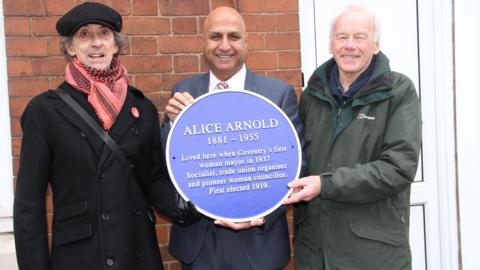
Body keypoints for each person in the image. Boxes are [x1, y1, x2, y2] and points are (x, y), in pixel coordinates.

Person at [13, 2, 175, 270]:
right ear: (70, 47)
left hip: (137, 252)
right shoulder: (46, 111)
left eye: (104, 34)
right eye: (84, 35)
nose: (96, 43)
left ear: (115, 44)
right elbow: (29, 205)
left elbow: (154, 179)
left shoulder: (141, 108)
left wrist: (191, 205)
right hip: (81, 257)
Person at [161, 6, 304, 270]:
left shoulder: (278, 94)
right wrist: (172, 124)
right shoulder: (184, 91)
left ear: (246, 42)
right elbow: (170, 161)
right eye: (215, 36)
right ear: (203, 43)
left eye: (233, 36)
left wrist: (261, 213)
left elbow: (296, 166)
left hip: (259, 247)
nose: (224, 45)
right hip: (199, 244)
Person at [283, 4, 422, 270]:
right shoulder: (312, 94)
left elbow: (398, 168)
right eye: (342, 37)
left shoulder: (399, 92)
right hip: (314, 251)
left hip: (372, 253)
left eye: (360, 37)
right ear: (330, 44)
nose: (350, 45)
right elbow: (292, 159)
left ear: (376, 45)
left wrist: (326, 184)